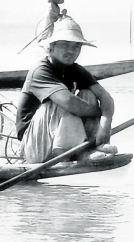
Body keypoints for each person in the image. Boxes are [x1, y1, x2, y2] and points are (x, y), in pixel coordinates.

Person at [15, 16, 119, 164]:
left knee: (88, 94)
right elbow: (70, 103)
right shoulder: (40, 70)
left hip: (57, 137)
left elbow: (105, 96)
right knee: (63, 101)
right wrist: (99, 112)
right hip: (35, 147)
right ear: (51, 46)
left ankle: (92, 145)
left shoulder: (74, 69)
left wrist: (105, 123)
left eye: (76, 46)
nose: (71, 51)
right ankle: (76, 152)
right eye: (65, 45)